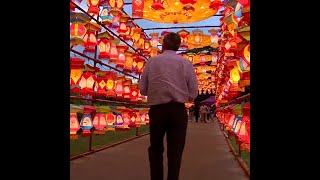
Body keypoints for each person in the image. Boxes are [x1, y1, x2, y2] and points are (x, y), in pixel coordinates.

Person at [139, 32, 198, 180]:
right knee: (175, 151)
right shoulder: (185, 63)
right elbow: (194, 92)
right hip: (178, 111)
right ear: (178, 47)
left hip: (157, 110)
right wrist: (184, 96)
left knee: (156, 149)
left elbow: (143, 89)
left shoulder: (152, 61)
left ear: (163, 45)